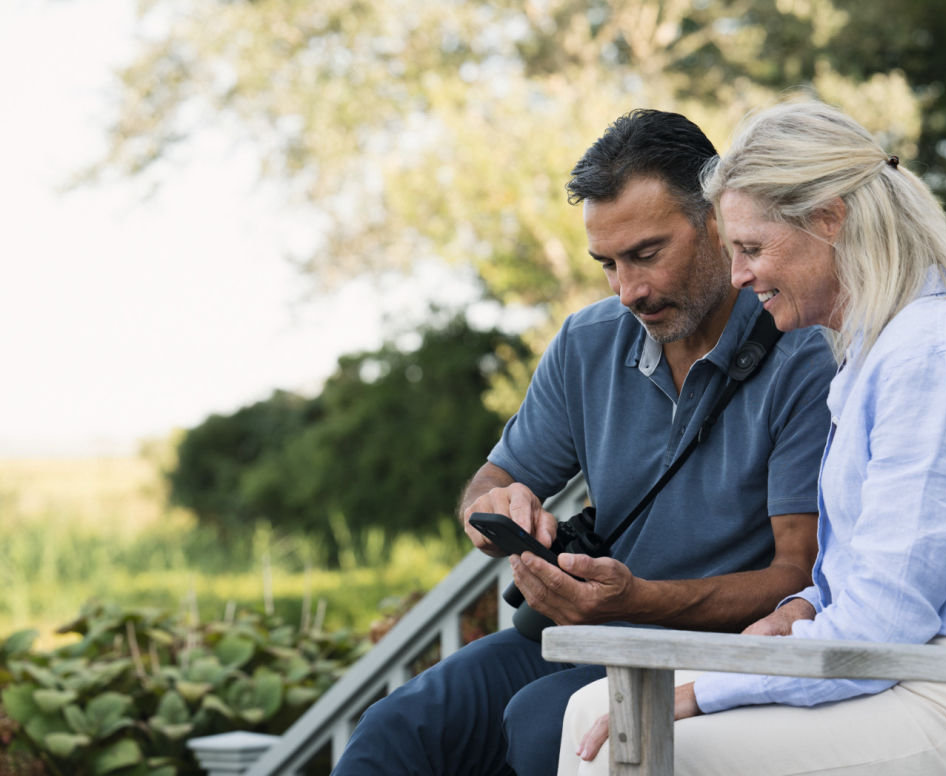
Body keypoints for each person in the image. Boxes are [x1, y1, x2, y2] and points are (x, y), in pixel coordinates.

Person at [559, 98, 946, 776]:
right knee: (590, 709)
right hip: (918, 672)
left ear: (830, 220)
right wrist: (802, 606)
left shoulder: (931, 356)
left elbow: (881, 626)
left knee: (629, 738)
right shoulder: (885, 351)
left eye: (752, 248)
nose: (739, 276)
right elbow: (880, 575)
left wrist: (709, 690)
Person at [331, 109, 837, 776]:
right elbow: (489, 483)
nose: (629, 290)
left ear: (718, 222)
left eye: (648, 254)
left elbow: (796, 574)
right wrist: (498, 509)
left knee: (543, 727)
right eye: (608, 264)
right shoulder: (587, 341)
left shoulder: (804, 348)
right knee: (397, 729)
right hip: (589, 634)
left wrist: (637, 600)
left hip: (717, 650)